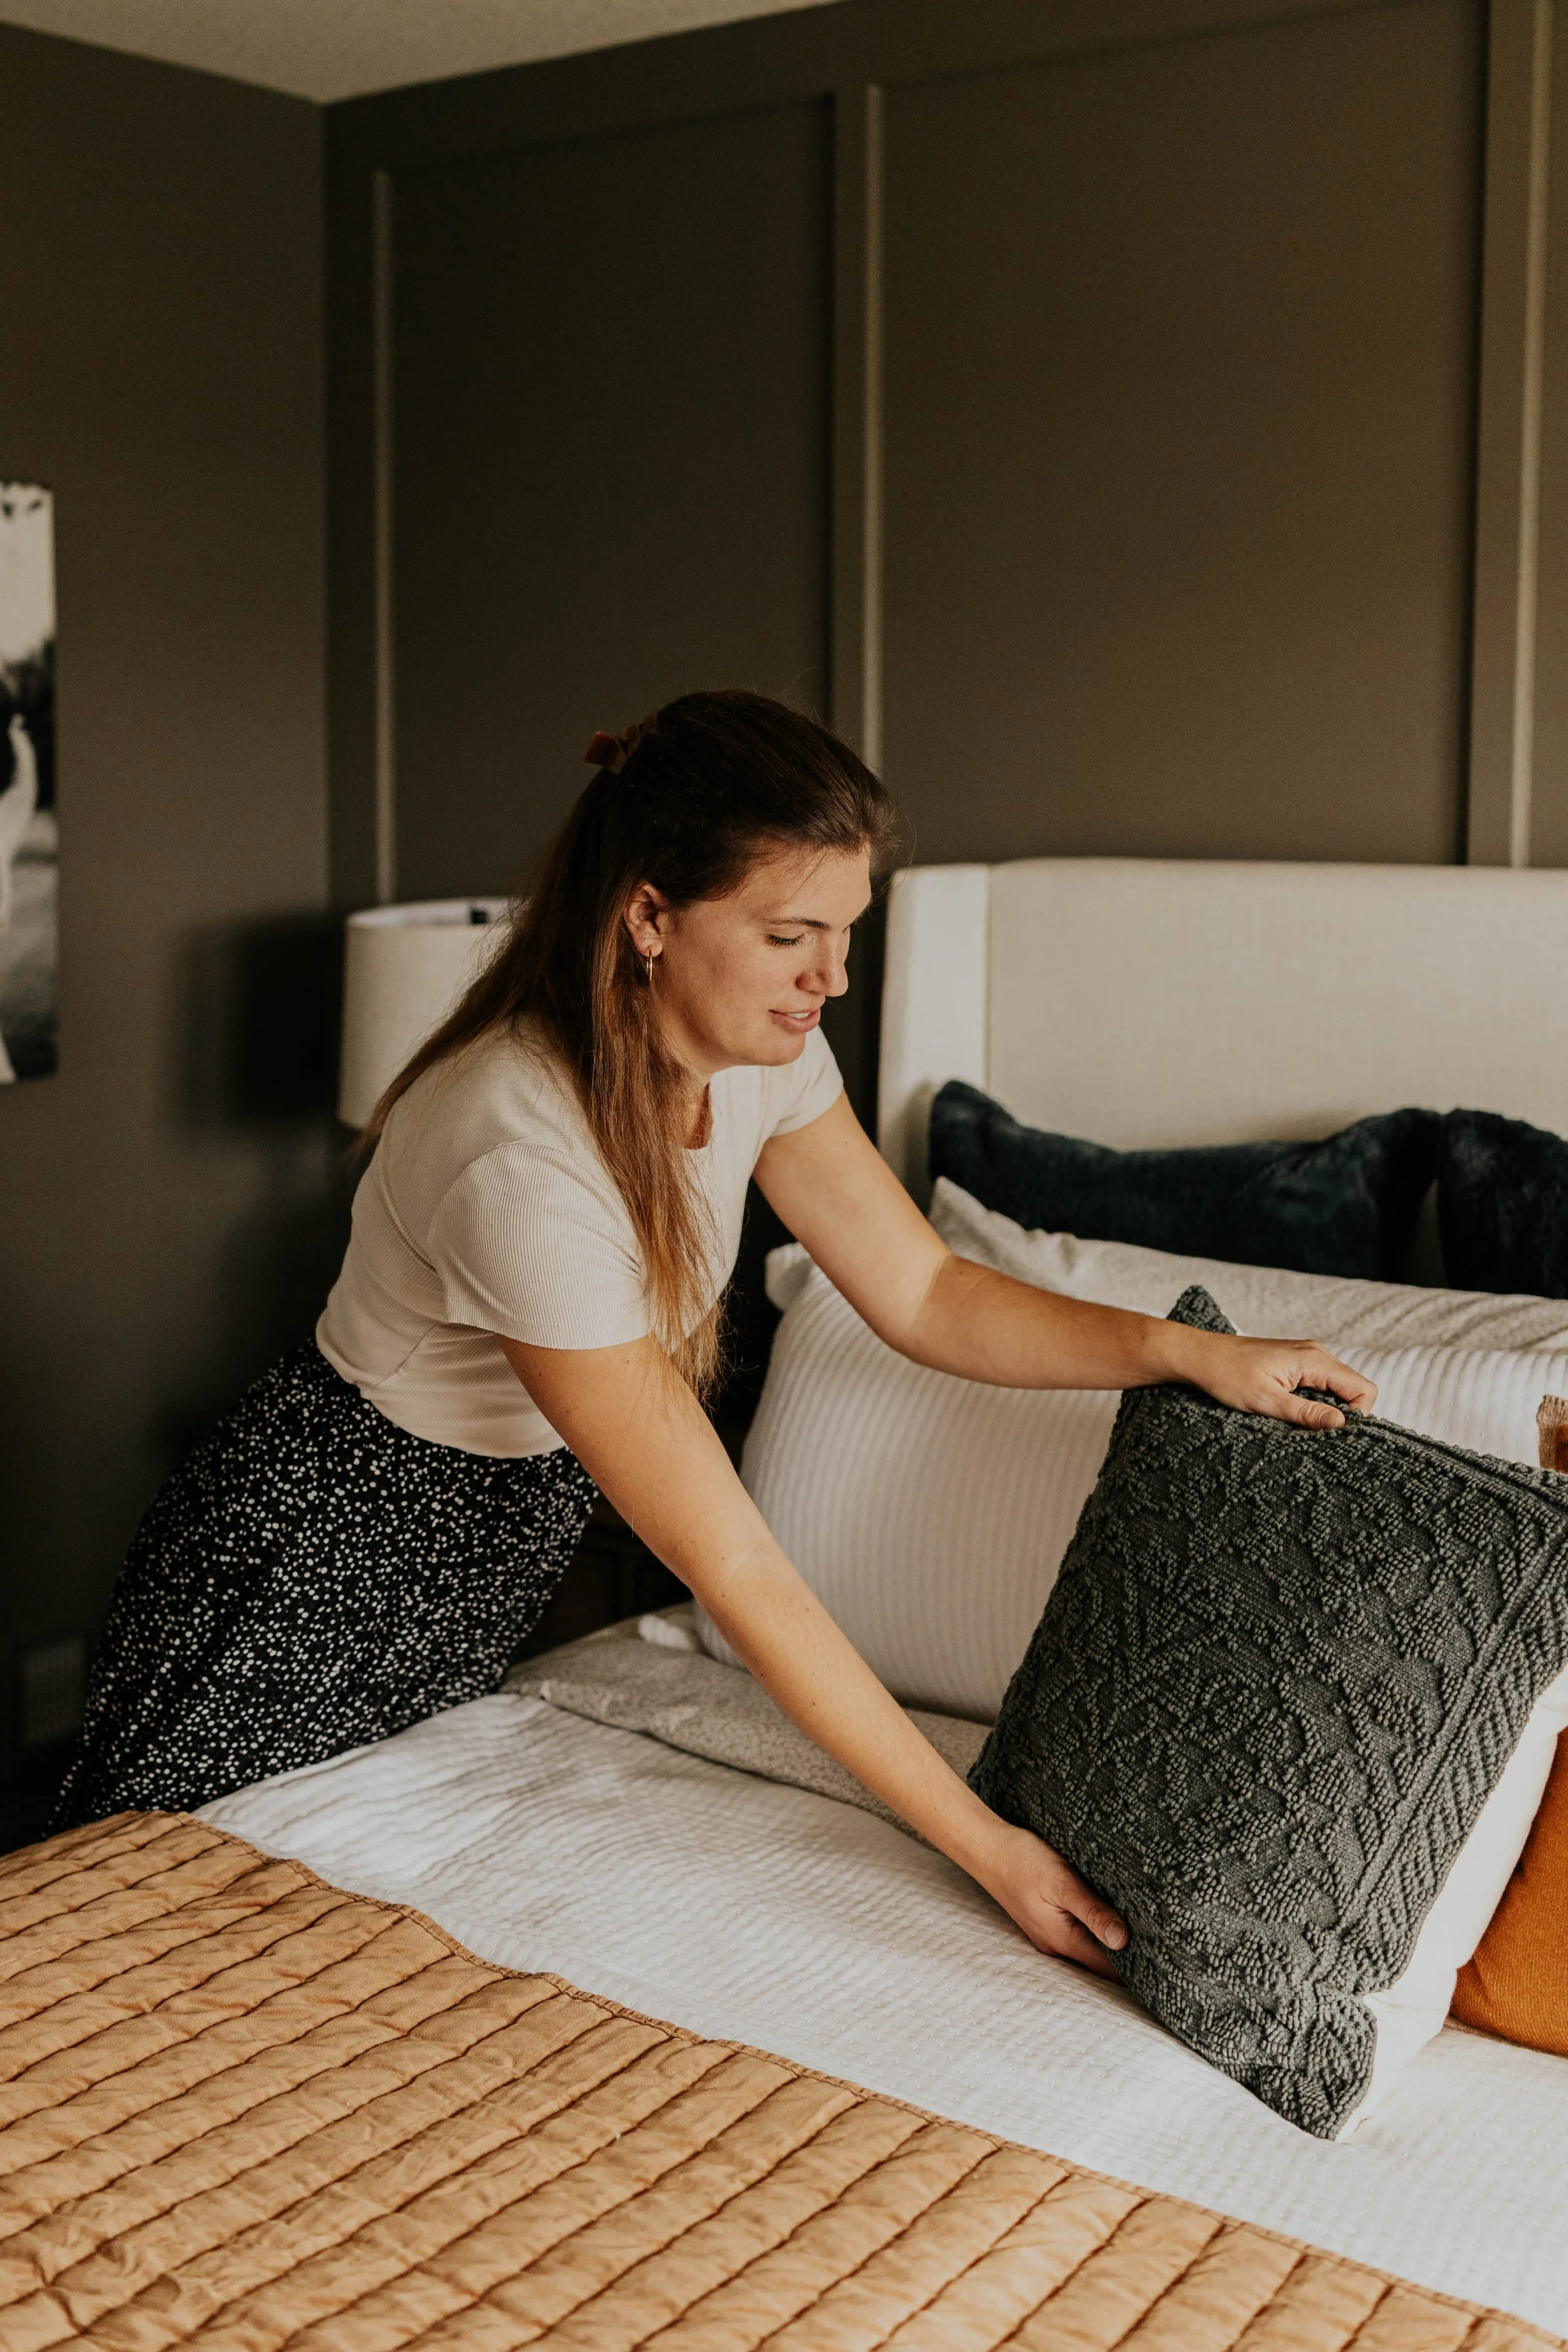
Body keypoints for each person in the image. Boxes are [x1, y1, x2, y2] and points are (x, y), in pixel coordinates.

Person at [54, 690, 1375, 1973]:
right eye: (792, 935)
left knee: (313, 1968)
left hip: (472, 1568)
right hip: (315, 1564)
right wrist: (986, 1846)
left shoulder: (764, 1057)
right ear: (647, 916)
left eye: (846, 934)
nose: (831, 981)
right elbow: (734, 1566)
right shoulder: (518, 1150)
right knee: (137, 1959)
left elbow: (922, 1293)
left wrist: (1184, 1349)